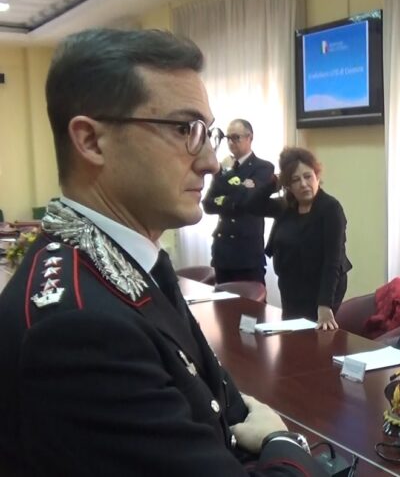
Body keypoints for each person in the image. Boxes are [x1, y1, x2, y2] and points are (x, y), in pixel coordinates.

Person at [0, 28, 326, 476]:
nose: (209, 162)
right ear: (91, 141)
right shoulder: (78, 329)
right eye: (183, 129)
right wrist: (283, 441)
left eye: (207, 134)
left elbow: (221, 405)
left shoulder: (125, 259)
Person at [248, 147, 352, 331]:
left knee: (314, 336)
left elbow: (333, 261)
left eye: (308, 176)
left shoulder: (331, 209)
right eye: (295, 180)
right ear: (288, 185)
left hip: (323, 286)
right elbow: (251, 205)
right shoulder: (286, 206)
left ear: (317, 176)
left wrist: (324, 305)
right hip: (291, 284)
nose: (303, 184)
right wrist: (274, 183)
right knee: (291, 333)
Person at [202, 119, 275, 284]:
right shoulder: (222, 168)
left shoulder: (263, 167)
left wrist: (227, 178)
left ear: (250, 138)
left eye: (236, 137)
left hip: (247, 254)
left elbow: (247, 201)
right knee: (223, 300)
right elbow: (207, 204)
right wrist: (239, 188)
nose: (230, 142)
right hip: (222, 252)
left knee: (253, 300)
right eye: (227, 138)